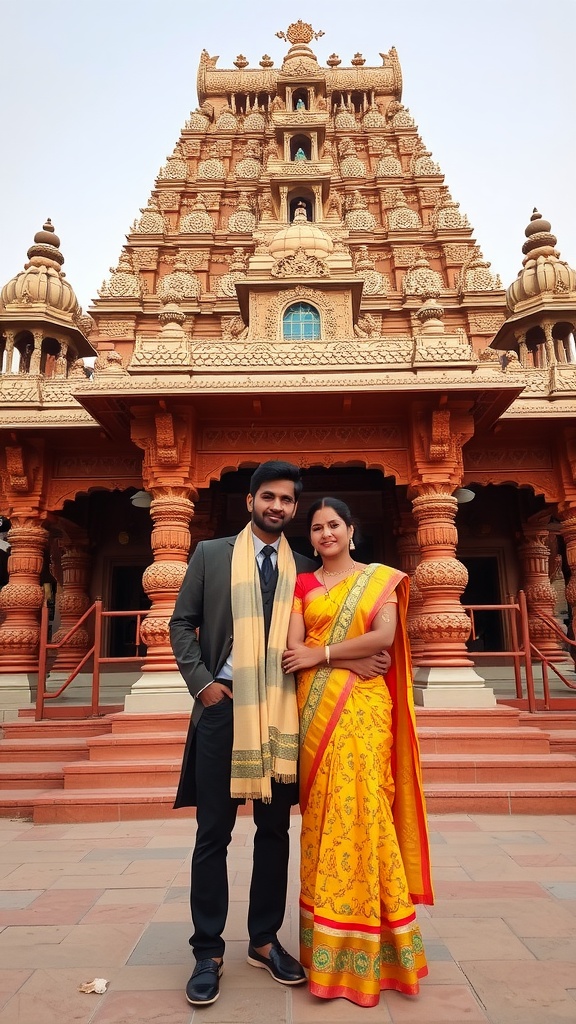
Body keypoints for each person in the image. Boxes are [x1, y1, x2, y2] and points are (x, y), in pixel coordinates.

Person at [282, 497, 434, 1008]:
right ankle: (328, 945)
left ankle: (379, 942)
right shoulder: (302, 585)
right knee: (326, 813)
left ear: (351, 530)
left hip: (367, 706)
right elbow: (293, 652)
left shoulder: (380, 578)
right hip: (319, 708)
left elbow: (384, 636)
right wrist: (343, 662)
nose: (325, 533)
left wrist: (325, 656)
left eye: (333, 525)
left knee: (368, 806)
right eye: (317, 528)